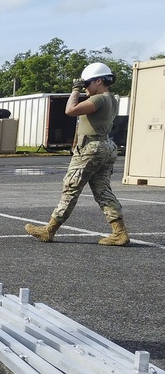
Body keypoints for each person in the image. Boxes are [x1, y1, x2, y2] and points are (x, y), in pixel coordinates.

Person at [25, 62, 129, 246]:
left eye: (87, 84)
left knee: (71, 188)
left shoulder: (99, 99)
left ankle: (49, 230)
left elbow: (70, 110)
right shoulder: (112, 99)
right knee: (103, 191)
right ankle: (119, 232)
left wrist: (74, 91)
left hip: (91, 148)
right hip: (105, 146)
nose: (85, 88)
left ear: (99, 81)